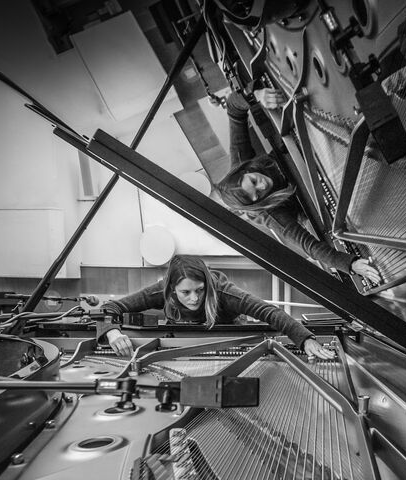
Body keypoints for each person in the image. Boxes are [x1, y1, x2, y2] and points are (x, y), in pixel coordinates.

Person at [211, 88, 381, 284]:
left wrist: (256, 96)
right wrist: (350, 264)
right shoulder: (270, 215)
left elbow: (233, 108)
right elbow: (310, 247)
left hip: (311, 149)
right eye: (258, 195)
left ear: (244, 171)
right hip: (328, 184)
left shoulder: (240, 161)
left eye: (254, 182)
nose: (263, 186)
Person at [98, 255, 335, 359]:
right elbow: (111, 307)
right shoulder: (161, 291)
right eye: (185, 292)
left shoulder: (223, 293)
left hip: (230, 349)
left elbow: (269, 312)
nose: (193, 298)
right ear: (171, 290)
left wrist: (305, 339)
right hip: (181, 351)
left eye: (199, 290)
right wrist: (112, 332)